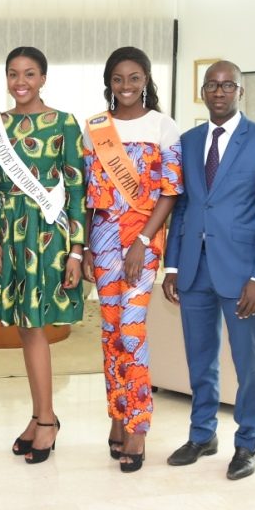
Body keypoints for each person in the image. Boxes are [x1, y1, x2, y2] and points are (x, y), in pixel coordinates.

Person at [162, 60, 255, 481]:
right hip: (194, 270)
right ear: (202, 91)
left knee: (246, 362)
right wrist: (173, 264)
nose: (219, 91)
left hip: (241, 274)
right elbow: (182, 205)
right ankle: (202, 434)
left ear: (241, 91)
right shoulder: (189, 140)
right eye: (212, 85)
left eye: (228, 85)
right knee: (200, 358)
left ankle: (248, 442)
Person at [82, 47, 183, 473]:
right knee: (108, 331)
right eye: (119, 79)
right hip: (103, 238)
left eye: (134, 78)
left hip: (144, 239)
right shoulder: (95, 129)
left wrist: (142, 239)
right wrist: (85, 246)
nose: (126, 86)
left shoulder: (163, 125)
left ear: (146, 81)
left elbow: (170, 192)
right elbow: (87, 194)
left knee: (132, 329)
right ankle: (117, 416)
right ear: (110, 82)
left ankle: (138, 425)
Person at [0, 46, 85, 464]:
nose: (20, 82)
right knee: (25, 328)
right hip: (9, 235)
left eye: (29, 73)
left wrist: (77, 250)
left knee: (38, 327)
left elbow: (77, 188)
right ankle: (41, 415)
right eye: (12, 74)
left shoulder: (64, 123)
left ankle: (46, 420)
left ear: (44, 77)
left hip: (48, 236)